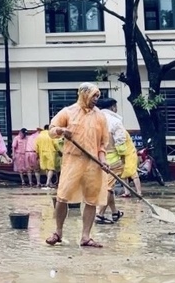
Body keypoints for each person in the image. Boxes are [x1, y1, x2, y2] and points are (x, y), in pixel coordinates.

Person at [45, 82, 109, 248]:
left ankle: (86, 236)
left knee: (91, 200)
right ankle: (58, 232)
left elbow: (103, 144)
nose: (96, 99)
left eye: (97, 96)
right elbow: (51, 130)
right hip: (72, 160)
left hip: (93, 162)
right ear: (83, 94)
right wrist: (61, 131)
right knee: (62, 197)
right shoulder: (68, 112)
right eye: (93, 95)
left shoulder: (100, 117)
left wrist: (103, 160)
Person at [94, 97, 127, 225]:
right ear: (113, 107)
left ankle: (115, 212)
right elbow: (120, 142)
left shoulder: (94, 120)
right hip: (112, 160)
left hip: (95, 159)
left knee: (109, 186)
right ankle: (99, 214)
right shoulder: (115, 121)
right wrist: (123, 157)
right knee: (108, 187)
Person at [120, 128, 142, 198]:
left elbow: (120, 144)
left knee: (133, 173)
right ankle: (127, 192)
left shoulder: (122, 132)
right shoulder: (119, 131)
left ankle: (139, 192)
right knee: (123, 174)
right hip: (124, 155)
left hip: (130, 154)